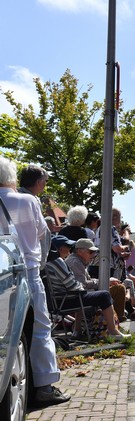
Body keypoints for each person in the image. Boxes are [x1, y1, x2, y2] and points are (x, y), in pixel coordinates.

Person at [0, 157, 70, 405]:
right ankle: (44, 387)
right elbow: (43, 235)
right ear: (12, 178)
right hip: (27, 270)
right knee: (40, 329)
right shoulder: (28, 201)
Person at [45, 235, 130, 340]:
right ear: (61, 249)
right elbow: (73, 286)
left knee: (84, 294)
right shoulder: (59, 262)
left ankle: (78, 331)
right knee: (104, 295)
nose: (70, 249)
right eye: (68, 246)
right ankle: (113, 331)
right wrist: (83, 287)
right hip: (65, 300)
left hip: (61, 299)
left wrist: (82, 287)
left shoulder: (51, 262)